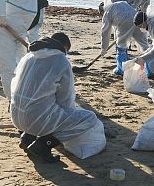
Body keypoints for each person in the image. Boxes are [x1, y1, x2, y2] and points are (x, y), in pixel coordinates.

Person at [10, 33, 106, 162]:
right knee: (88, 118)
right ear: (64, 47)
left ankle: (27, 137)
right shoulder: (61, 61)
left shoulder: (29, 56)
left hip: (16, 117)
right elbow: (65, 100)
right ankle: (42, 145)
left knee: (41, 109)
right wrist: (71, 115)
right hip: (36, 120)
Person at [0, 0, 60, 100]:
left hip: (19, 35)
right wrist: (0, 15)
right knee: (8, 67)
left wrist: (35, 46)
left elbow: (34, 27)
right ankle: (12, 102)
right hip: (2, 30)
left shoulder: (39, 2)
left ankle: (22, 94)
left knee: (25, 65)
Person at [99, 1, 151, 76]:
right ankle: (150, 70)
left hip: (125, 22)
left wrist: (104, 48)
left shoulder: (107, 12)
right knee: (144, 46)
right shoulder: (120, 4)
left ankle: (121, 69)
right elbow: (115, 29)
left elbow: (105, 32)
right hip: (137, 19)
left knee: (121, 47)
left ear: (102, 10)